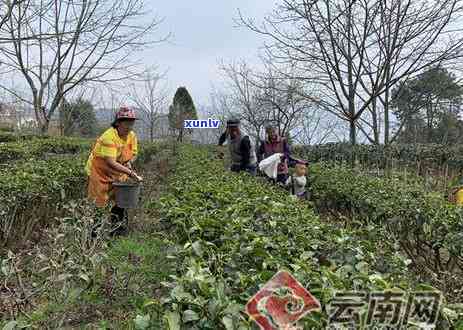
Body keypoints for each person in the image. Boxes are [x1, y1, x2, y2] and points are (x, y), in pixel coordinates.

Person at [86, 106, 143, 236]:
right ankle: (94, 237)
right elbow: (110, 162)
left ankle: (118, 233)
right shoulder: (108, 137)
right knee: (99, 204)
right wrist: (131, 174)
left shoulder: (131, 136)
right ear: (118, 123)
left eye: (131, 123)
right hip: (99, 173)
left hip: (117, 172)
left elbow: (133, 154)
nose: (129, 126)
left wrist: (129, 162)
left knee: (120, 202)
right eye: (126, 123)